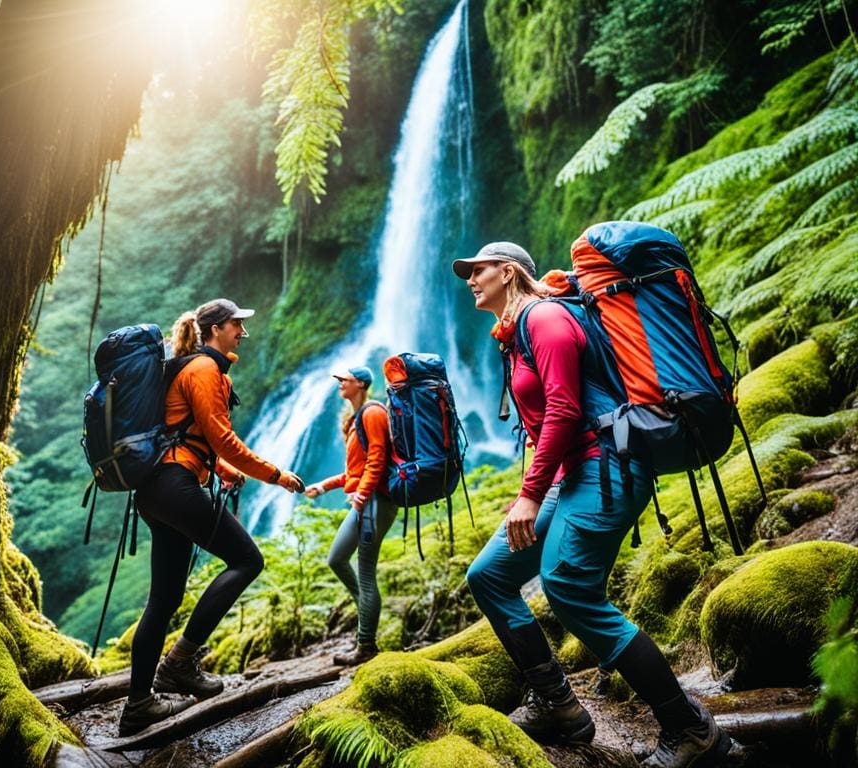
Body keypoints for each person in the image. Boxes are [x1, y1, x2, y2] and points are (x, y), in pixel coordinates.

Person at [452, 243, 731, 767]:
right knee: (489, 575)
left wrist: (529, 495)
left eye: (478, 269)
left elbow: (564, 407)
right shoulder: (515, 334)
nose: (470, 278)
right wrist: (536, 487)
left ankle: (689, 727)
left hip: (606, 467)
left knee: (566, 586)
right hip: (574, 473)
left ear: (508, 272)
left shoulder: (547, 319)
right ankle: (558, 705)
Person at [119, 298, 304, 737]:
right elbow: (221, 436)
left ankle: (138, 705)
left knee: (163, 600)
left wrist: (223, 471)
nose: (243, 331)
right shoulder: (205, 371)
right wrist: (274, 475)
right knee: (247, 560)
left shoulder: (190, 367)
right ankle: (180, 662)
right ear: (216, 327)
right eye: (238, 324)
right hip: (175, 486)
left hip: (157, 489)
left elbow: (185, 433)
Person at [304, 366, 397, 666]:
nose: (339, 384)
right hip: (366, 500)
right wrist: (325, 486)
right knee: (336, 559)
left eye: (344, 380)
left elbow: (378, 459)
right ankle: (366, 613)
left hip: (375, 501)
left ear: (360, 383)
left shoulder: (372, 413)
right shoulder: (356, 418)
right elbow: (355, 470)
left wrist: (361, 497)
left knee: (365, 571)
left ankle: (366, 645)